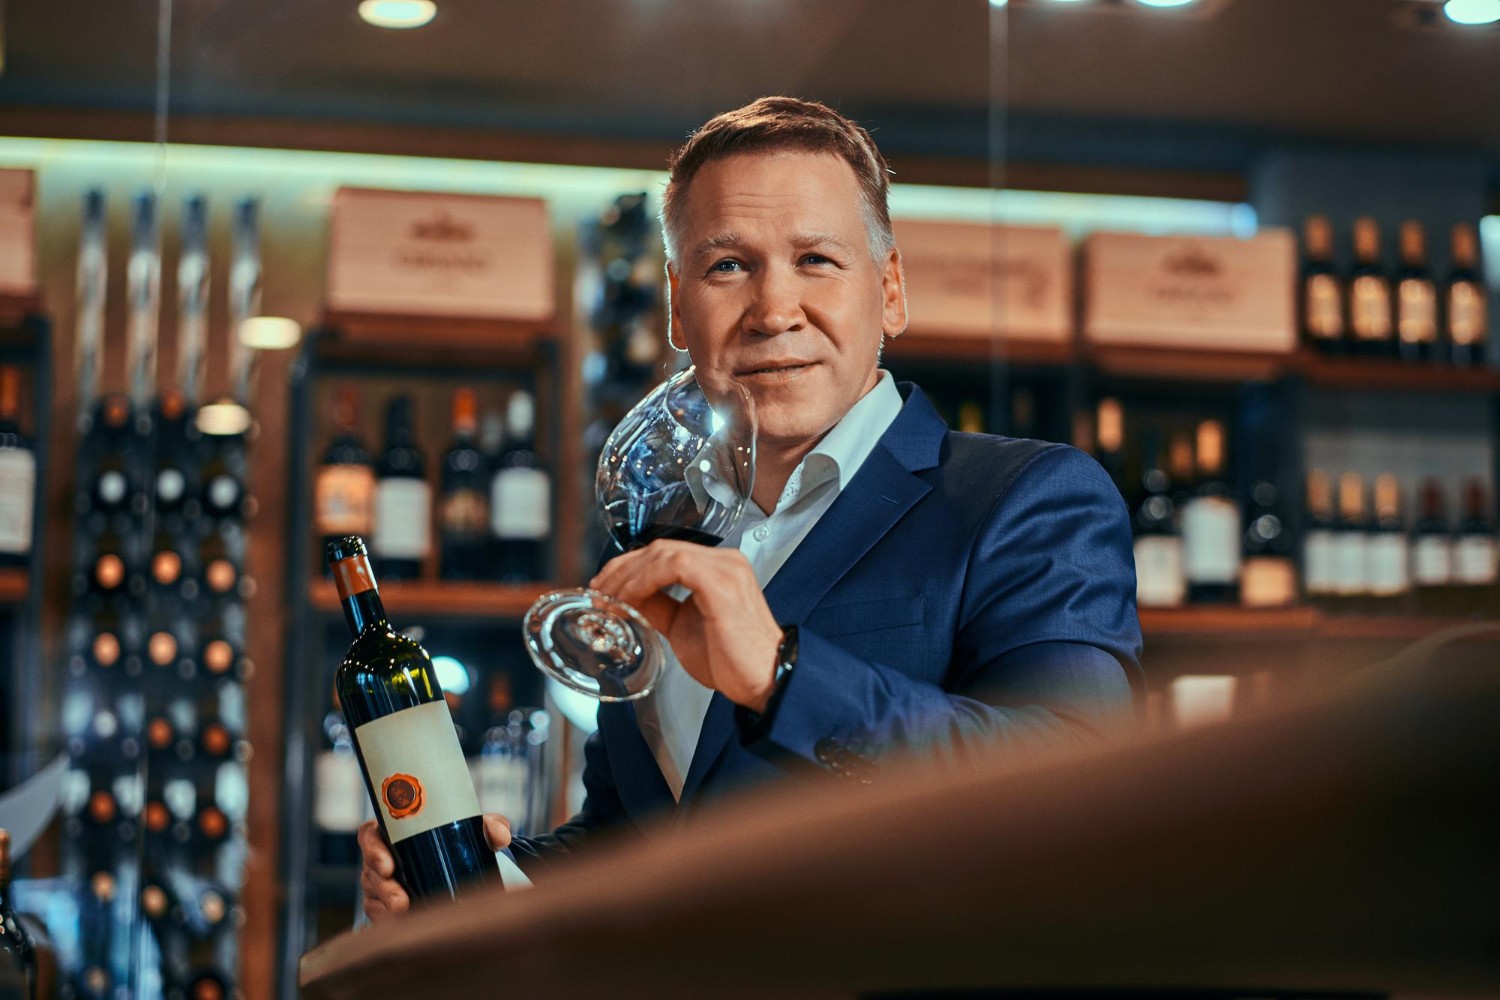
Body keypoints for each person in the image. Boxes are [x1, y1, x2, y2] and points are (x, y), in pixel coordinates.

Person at [359, 96, 1142, 921]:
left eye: (816, 260)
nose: (773, 310)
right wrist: (477, 879)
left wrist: (782, 673)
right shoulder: (671, 531)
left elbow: (1078, 793)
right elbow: (637, 839)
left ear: (891, 290)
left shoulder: (1029, 498)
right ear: (676, 308)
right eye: (727, 264)